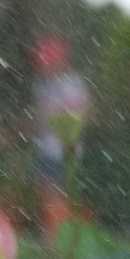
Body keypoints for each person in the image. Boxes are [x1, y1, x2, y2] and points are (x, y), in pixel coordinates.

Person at [29, 35, 91, 243]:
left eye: (46, 61)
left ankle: (59, 241)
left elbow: (79, 115)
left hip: (62, 151)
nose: (43, 67)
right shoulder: (47, 85)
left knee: (54, 197)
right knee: (48, 195)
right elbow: (41, 118)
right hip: (49, 149)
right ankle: (57, 240)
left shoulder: (71, 84)